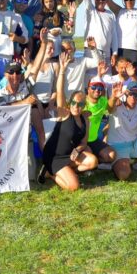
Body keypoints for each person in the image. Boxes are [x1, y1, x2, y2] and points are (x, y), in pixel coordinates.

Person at [37, 52, 98, 190]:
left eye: (80, 104)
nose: (76, 106)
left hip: (70, 156)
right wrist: (62, 71)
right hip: (54, 157)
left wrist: (78, 149)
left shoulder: (85, 119)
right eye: (74, 103)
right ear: (70, 103)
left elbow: (84, 142)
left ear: (84, 106)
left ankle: (63, 172)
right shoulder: (64, 113)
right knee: (74, 186)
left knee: (93, 161)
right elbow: (59, 91)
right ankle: (50, 173)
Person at [82, 0, 118, 64]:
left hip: (107, 55)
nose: (100, 0)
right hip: (90, 53)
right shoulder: (90, 10)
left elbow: (114, 35)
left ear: (106, 0)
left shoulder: (111, 14)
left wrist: (115, 53)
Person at [84, 77, 118, 172]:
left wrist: (114, 97)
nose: (97, 90)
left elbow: (109, 110)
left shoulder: (102, 101)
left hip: (93, 140)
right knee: (89, 154)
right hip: (80, 141)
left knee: (111, 155)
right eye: (94, 87)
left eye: (100, 88)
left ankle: (95, 163)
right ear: (88, 88)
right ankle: (87, 164)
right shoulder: (82, 101)